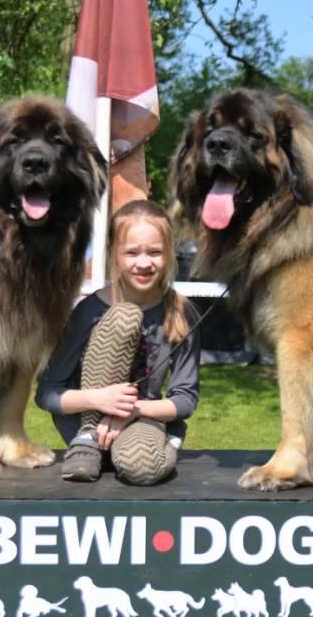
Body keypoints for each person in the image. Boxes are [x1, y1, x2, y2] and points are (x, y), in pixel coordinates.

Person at [36, 200, 200, 485]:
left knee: (143, 469)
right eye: (132, 252)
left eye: (155, 252)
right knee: (124, 315)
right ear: (113, 253)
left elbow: (185, 399)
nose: (144, 263)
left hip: (142, 419)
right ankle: (89, 442)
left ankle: (157, 443)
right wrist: (98, 399)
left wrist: (131, 410)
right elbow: (47, 394)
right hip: (84, 419)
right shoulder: (89, 311)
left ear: (169, 253)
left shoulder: (183, 313)